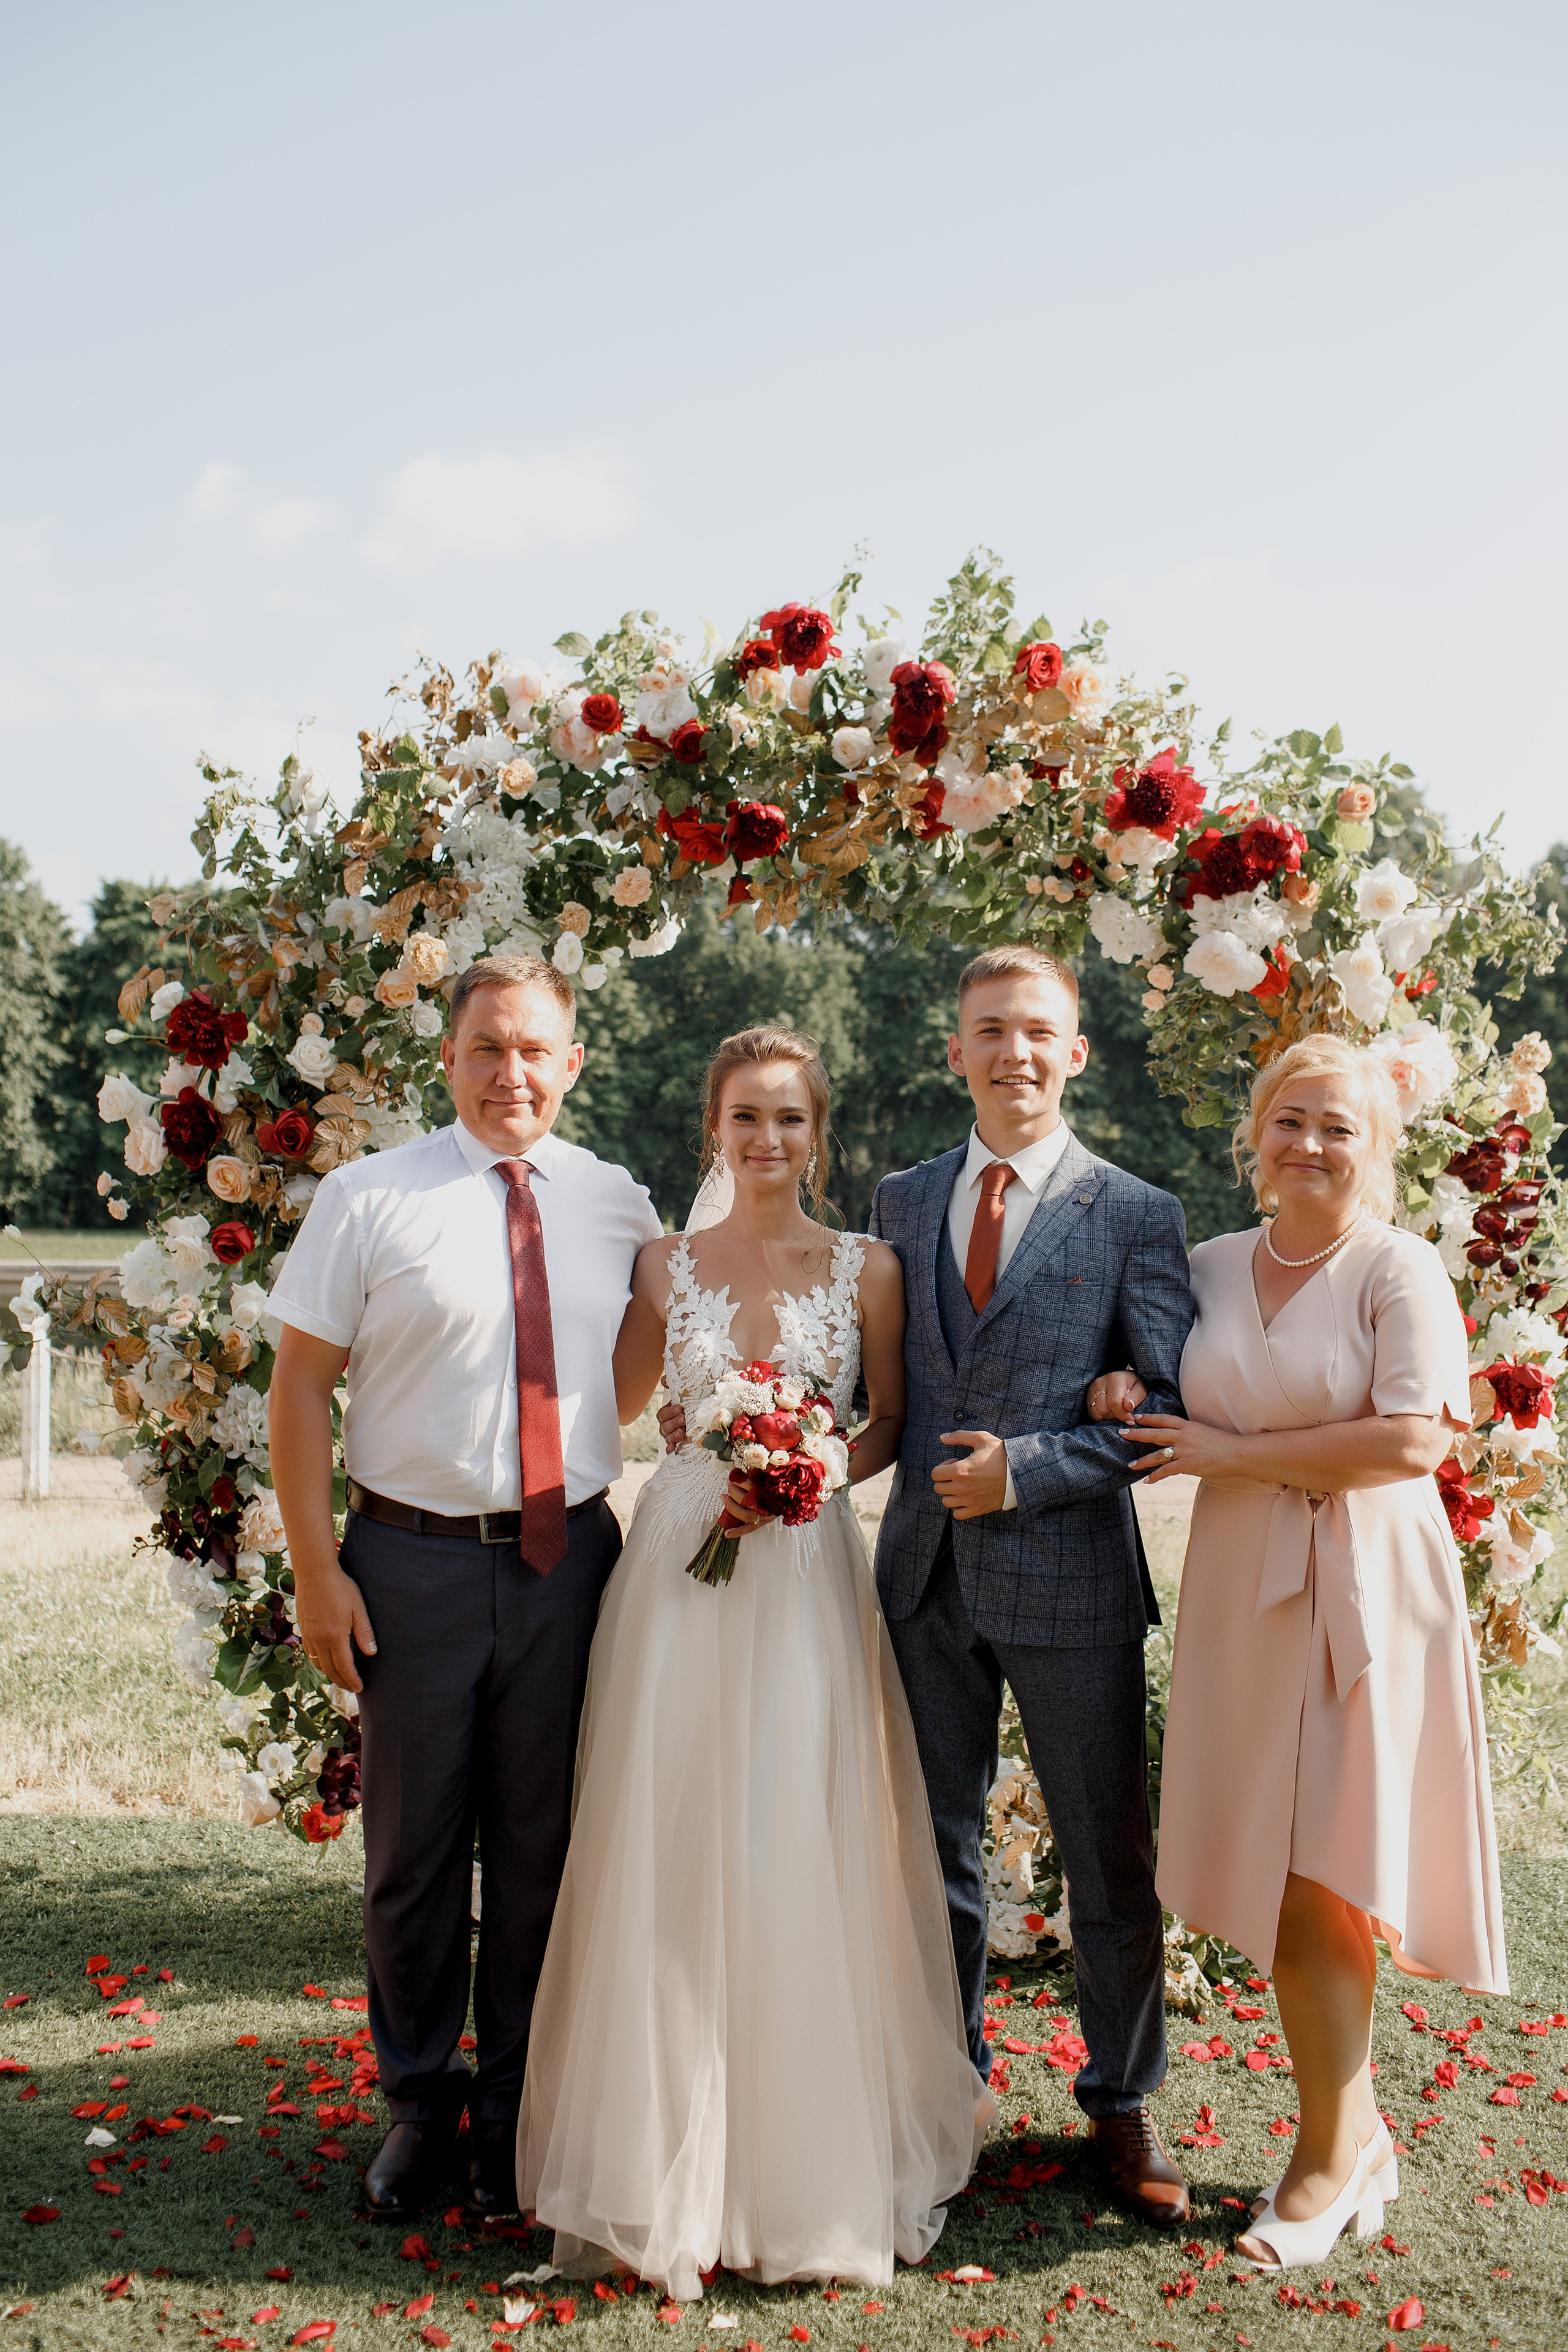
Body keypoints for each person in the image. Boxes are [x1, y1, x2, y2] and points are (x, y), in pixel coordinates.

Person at [516, 1027, 990, 2301]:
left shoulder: (871, 1267)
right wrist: (699, 1428)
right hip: (677, 1566)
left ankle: (800, 2167)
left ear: (817, 1134)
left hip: (804, 1569)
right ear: (710, 1132)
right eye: (743, 1119)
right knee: (670, 1833)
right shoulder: (661, 1264)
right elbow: (613, 1404)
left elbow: (885, 1416)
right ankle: (660, 2161)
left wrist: (818, 1460)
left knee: (792, 1826)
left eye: (788, 1119)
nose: (765, 1140)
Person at [268, 955, 662, 2223]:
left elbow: (630, 1374)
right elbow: (298, 1389)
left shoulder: (615, 1205)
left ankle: (513, 2111)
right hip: (409, 1563)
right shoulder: (367, 1196)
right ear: (448, 1059)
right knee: (413, 1854)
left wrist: (567, 1462)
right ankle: (416, 2106)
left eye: (535, 1050)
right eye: (487, 1047)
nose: (511, 1074)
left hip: (568, 1565)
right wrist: (319, 1570)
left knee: (546, 1848)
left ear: (573, 1064)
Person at [1119, 1034, 1507, 2271]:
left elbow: (1410, 1443)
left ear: (1373, 1144)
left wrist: (1224, 1456)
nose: (1308, 1144)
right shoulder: (1208, 1266)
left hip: (1364, 1590)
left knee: (1324, 1874)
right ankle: (1360, 2140)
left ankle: (1327, 2163)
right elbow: (1147, 1377)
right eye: (1287, 1119)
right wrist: (1114, 1398)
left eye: (1335, 1125)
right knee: (1277, 1873)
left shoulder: (1398, 1270)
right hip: (1243, 1591)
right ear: (1254, 1133)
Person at [867, 945, 1197, 2230]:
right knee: (932, 1853)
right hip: (919, 1583)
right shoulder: (897, 1203)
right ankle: (946, 2094)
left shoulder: (1133, 1213)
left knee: (1105, 1859)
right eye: (987, 1029)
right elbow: (873, 1387)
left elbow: (1163, 1411)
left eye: (1037, 1031)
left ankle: (1120, 2103)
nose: (1012, 1051)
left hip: (1070, 1585)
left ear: (1075, 1052)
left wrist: (1036, 1469)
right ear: (953, 1049)